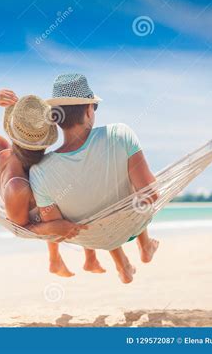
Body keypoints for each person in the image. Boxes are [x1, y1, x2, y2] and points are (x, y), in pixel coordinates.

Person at [30, 73, 159, 283]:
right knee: (127, 183)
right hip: (132, 225)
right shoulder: (120, 134)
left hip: (89, 238)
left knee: (94, 198)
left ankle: (125, 263)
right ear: (89, 110)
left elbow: (56, 228)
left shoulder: (39, 171)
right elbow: (151, 195)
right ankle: (144, 246)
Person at [0, 91, 92, 276]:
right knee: (56, 194)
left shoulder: (0, 147)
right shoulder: (19, 186)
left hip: (19, 193)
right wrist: (52, 227)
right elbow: (20, 229)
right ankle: (58, 259)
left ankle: (59, 260)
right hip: (14, 204)